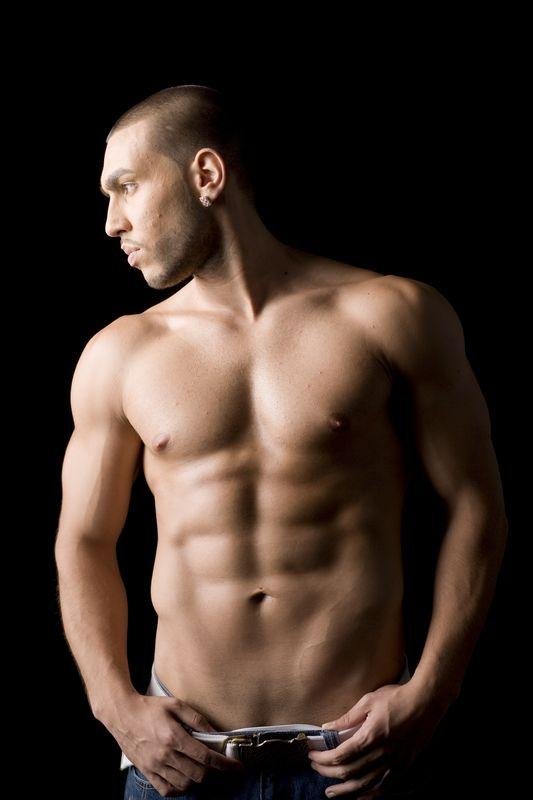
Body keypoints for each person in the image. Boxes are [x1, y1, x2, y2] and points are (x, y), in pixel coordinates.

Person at [54, 84, 508, 800]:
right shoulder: (120, 354)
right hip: (182, 763)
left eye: (127, 187)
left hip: (358, 760)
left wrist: (432, 691)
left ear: (206, 175)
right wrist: (116, 710)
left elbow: (476, 505)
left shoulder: (390, 316)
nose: (112, 222)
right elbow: (82, 541)